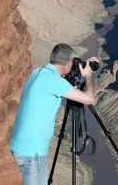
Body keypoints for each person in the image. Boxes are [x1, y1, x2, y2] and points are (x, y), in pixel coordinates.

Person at [9, 43, 99, 185]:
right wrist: (87, 76)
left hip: (21, 146)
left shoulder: (38, 73)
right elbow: (89, 99)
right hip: (32, 153)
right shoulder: (54, 81)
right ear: (69, 63)